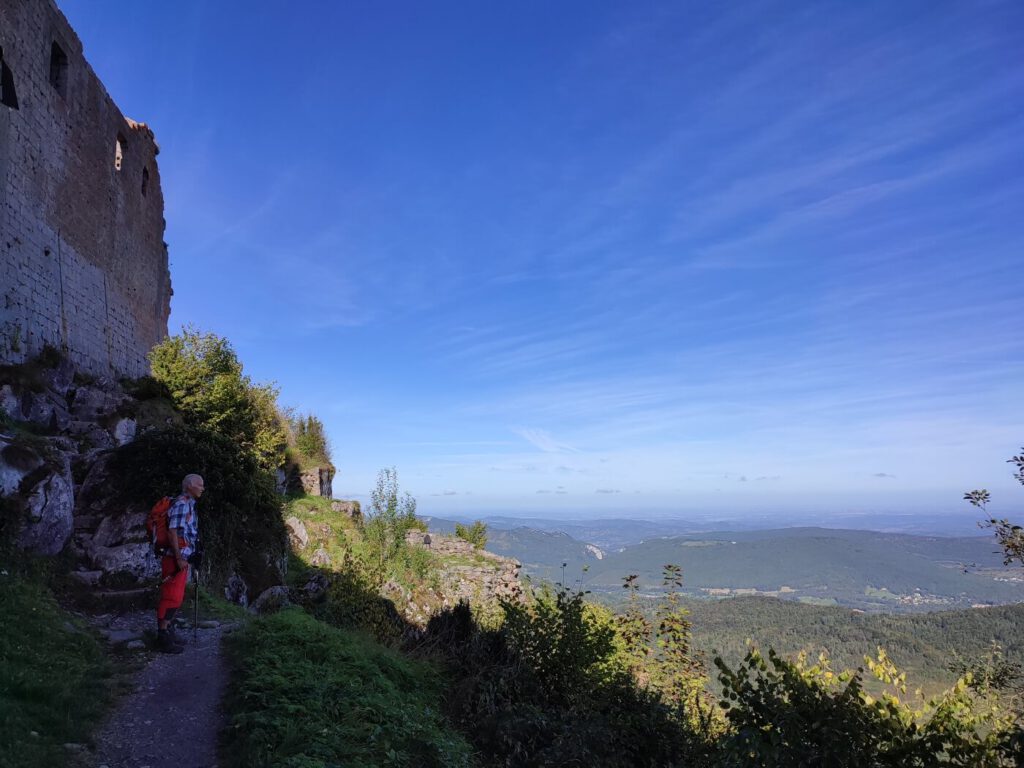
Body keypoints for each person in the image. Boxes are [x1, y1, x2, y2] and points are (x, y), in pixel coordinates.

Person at [156, 473, 203, 653]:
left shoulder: (189, 504)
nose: (202, 488)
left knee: (176, 596)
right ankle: (162, 635)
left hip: (181, 558)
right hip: (175, 559)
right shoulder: (182, 504)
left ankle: (167, 630)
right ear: (190, 485)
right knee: (171, 596)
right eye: (200, 485)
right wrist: (178, 558)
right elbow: (172, 532)